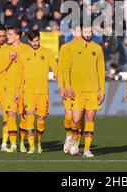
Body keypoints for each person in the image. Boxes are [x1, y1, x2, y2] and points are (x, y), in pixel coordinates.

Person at [65, 24, 105, 158]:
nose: (88, 33)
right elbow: (66, 69)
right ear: (81, 32)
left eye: (90, 31)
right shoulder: (72, 47)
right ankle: (74, 139)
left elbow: (101, 70)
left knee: (90, 118)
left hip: (93, 90)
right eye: (85, 31)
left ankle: (87, 149)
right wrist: (68, 86)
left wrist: (102, 90)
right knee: (75, 120)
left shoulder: (97, 48)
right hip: (77, 90)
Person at [18, 30, 58, 154]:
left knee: (41, 119)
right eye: (33, 41)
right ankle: (30, 146)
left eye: (37, 40)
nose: (35, 43)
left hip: (42, 92)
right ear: (29, 41)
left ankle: (39, 142)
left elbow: (56, 68)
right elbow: (18, 75)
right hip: (28, 91)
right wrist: (18, 92)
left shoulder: (47, 53)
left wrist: (59, 78)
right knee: (29, 116)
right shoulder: (23, 54)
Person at [3, 26, 29, 153]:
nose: (7, 36)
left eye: (10, 34)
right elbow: (0, 68)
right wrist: (9, 60)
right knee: (11, 114)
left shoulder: (26, 49)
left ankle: (22, 142)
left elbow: (29, 67)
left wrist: (18, 59)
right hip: (9, 88)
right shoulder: (4, 49)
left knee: (24, 115)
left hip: (23, 87)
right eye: (7, 34)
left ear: (18, 36)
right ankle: (13, 144)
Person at [58, 25, 83, 153]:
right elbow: (61, 68)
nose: (80, 33)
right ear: (73, 32)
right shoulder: (65, 47)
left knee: (79, 118)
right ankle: (69, 136)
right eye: (78, 31)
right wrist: (62, 86)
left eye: (82, 31)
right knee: (69, 117)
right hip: (69, 87)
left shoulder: (88, 47)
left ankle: (75, 143)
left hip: (83, 88)